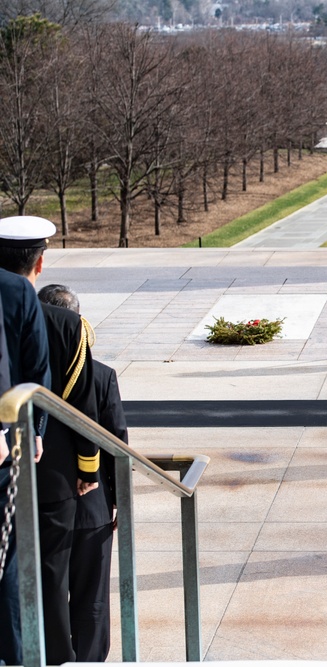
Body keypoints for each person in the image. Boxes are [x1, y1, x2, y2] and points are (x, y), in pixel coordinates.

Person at [0, 215, 100, 665]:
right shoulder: (56, 316)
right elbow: (61, 394)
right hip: (38, 464)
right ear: (40, 261)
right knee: (34, 567)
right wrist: (86, 467)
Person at [38, 284, 125, 663]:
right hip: (90, 506)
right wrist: (118, 500)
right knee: (91, 596)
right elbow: (116, 443)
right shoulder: (101, 374)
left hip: (40, 501)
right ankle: (89, 661)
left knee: (47, 591)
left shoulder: (22, 379)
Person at [0, 223, 51, 667]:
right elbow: (37, 374)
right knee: (11, 566)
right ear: (39, 262)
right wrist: (35, 433)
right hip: (7, 447)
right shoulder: (20, 293)